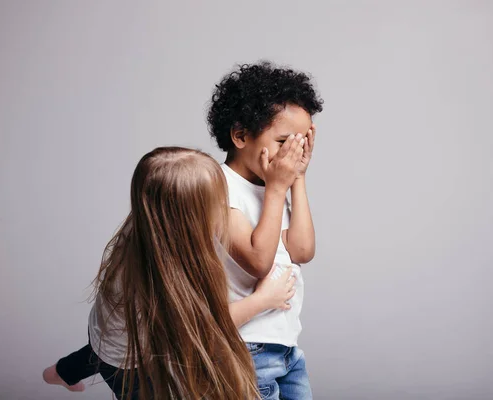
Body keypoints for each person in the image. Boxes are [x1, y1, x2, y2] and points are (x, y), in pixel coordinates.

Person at [43, 146, 297, 399]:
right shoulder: (154, 276)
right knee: (108, 361)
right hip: (129, 361)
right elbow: (204, 329)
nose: (224, 209)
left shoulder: (152, 222)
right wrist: (263, 300)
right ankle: (62, 372)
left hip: (105, 328)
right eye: (216, 203)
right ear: (185, 217)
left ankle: (60, 373)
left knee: (95, 353)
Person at [207, 61, 324, 399]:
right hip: (245, 345)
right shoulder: (217, 185)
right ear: (241, 135)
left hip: (285, 343)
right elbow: (258, 260)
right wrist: (276, 189)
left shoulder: (273, 182)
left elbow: (301, 251)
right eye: (284, 140)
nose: (293, 151)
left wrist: (297, 179)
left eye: (301, 143)